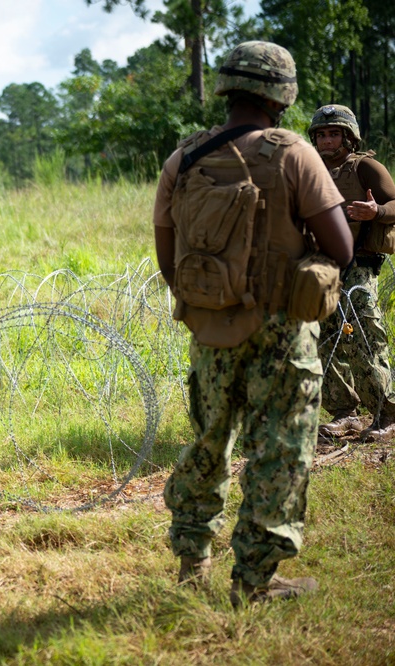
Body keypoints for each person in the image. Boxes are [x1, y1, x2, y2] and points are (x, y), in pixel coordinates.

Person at [153, 42, 353, 607]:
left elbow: (168, 258)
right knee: (279, 451)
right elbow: (340, 247)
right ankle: (254, 583)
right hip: (282, 334)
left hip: (210, 330)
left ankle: (193, 562)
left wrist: (214, 301)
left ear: (228, 88)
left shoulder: (183, 159)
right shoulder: (294, 154)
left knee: (208, 443)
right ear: (282, 94)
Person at [310, 104, 395, 440]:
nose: (327, 140)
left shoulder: (366, 167)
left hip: (359, 263)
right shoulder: (309, 171)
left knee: (365, 332)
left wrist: (376, 211)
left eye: (334, 134)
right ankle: (345, 412)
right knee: (326, 337)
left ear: (349, 137)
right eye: (322, 134)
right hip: (321, 264)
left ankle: (387, 413)